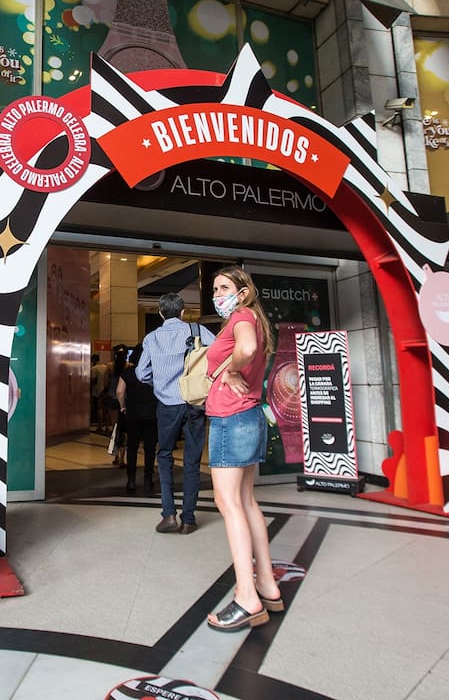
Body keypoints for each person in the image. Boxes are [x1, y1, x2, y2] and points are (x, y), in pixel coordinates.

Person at [201, 265, 281, 632]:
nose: (218, 294)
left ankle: (247, 596)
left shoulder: (242, 317)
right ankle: (266, 584)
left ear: (244, 292)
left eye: (225, 287)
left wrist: (231, 369)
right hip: (247, 417)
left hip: (231, 420)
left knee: (228, 504)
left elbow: (246, 349)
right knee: (247, 501)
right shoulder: (250, 319)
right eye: (215, 288)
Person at [137, 292, 215, 534]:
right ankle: (189, 518)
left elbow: (141, 373)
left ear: (160, 313)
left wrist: (159, 382)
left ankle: (169, 514)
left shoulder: (152, 338)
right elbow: (217, 357)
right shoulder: (198, 331)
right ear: (183, 312)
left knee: (165, 456)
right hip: (194, 403)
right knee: (192, 460)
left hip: (167, 406)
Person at [116, 343, 157, 494]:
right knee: (150, 448)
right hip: (152, 414)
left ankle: (131, 480)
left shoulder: (128, 372)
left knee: (132, 447)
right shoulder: (154, 371)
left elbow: (120, 391)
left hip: (132, 413)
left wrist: (122, 406)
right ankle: (148, 479)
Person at [89, 354, 110, 432]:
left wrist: (90, 391)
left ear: (93, 360)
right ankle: (107, 426)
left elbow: (93, 381)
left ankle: (100, 425)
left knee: (99, 408)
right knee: (106, 409)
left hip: (97, 391)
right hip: (106, 391)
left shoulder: (94, 369)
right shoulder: (105, 367)